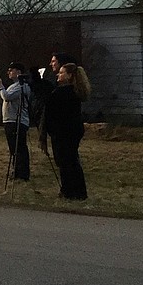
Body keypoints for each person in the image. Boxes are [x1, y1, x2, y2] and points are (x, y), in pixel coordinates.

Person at [40, 62, 90, 201]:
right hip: (72, 131)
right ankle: (77, 191)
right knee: (71, 160)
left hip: (64, 132)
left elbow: (49, 104)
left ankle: (70, 191)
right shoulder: (73, 91)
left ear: (69, 75)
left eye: (62, 72)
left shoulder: (64, 92)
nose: (58, 75)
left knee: (66, 162)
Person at [0, 62, 31, 181]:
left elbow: (7, 97)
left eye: (11, 70)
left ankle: (22, 173)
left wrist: (0, 86)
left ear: (19, 72)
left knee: (19, 148)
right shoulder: (13, 85)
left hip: (17, 121)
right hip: (10, 120)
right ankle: (17, 171)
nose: (9, 72)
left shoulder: (22, 86)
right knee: (13, 148)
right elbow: (1, 96)